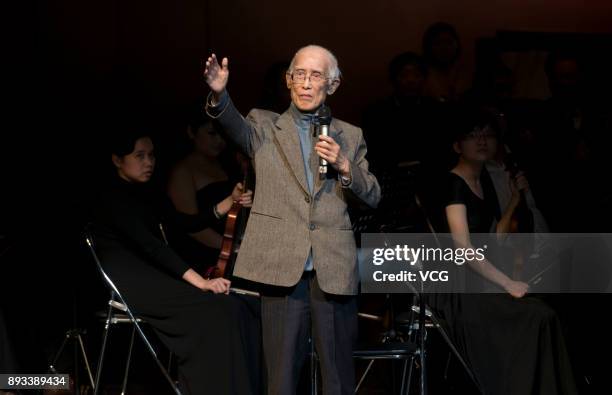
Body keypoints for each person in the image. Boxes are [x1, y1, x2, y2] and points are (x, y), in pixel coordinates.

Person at [203, 45, 381, 394]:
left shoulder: (350, 134)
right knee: (281, 377)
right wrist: (220, 95)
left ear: (333, 84)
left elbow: (373, 194)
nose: (305, 83)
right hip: (282, 264)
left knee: (338, 378)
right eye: (299, 74)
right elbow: (233, 126)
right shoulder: (263, 124)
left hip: (332, 264)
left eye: (315, 76)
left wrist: (344, 165)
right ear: (288, 80)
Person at [91, 128, 260, 395]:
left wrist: (230, 201)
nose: (149, 162)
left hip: (156, 277)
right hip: (132, 283)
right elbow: (152, 247)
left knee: (237, 307)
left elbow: (183, 223)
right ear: (117, 160)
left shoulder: (147, 192)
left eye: (152, 155)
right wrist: (201, 282)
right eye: (140, 156)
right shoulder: (111, 196)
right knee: (215, 312)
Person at [429, 108, 577, 394]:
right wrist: (508, 283)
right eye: (473, 135)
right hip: (462, 289)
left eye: (487, 135)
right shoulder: (454, 184)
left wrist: (515, 198)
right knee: (539, 317)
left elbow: (494, 238)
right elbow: (463, 248)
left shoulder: (482, 180)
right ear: (457, 146)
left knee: (548, 314)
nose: (482, 141)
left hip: (482, 280)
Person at [167, 110, 253, 275]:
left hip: (233, 249)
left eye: (222, 135)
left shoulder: (226, 164)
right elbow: (193, 228)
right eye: (212, 134)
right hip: (207, 256)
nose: (219, 141)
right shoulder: (183, 172)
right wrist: (232, 248)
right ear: (192, 132)